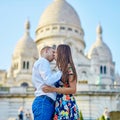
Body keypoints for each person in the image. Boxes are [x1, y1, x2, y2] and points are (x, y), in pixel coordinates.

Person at [43, 44, 80, 120]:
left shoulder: (69, 68)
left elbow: (73, 89)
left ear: (61, 54)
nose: (54, 54)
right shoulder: (61, 69)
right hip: (59, 103)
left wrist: (53, 89)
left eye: (56, 52)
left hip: (66, 104)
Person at [32, 46, 62, 120]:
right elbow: (48, 80)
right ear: (46, 51)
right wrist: (61, 72)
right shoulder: (43, 61)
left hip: (44, 101)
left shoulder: (40, 63)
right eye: (53, 52)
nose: (54, 54)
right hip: (44, 101)